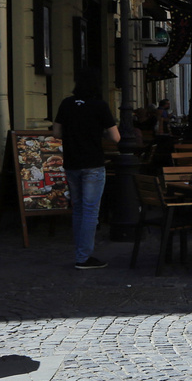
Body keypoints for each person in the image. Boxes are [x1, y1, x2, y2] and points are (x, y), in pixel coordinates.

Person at [51, 80, 119, 270]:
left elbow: (56, 132)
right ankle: (83, 256)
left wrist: (74, 134)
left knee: (78, 208)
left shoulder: (66, 103)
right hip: (93, 163)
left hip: (71, 163)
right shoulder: (100, 106)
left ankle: (81, 253)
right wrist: (99, 134)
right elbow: (116, 137)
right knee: (90, 211)